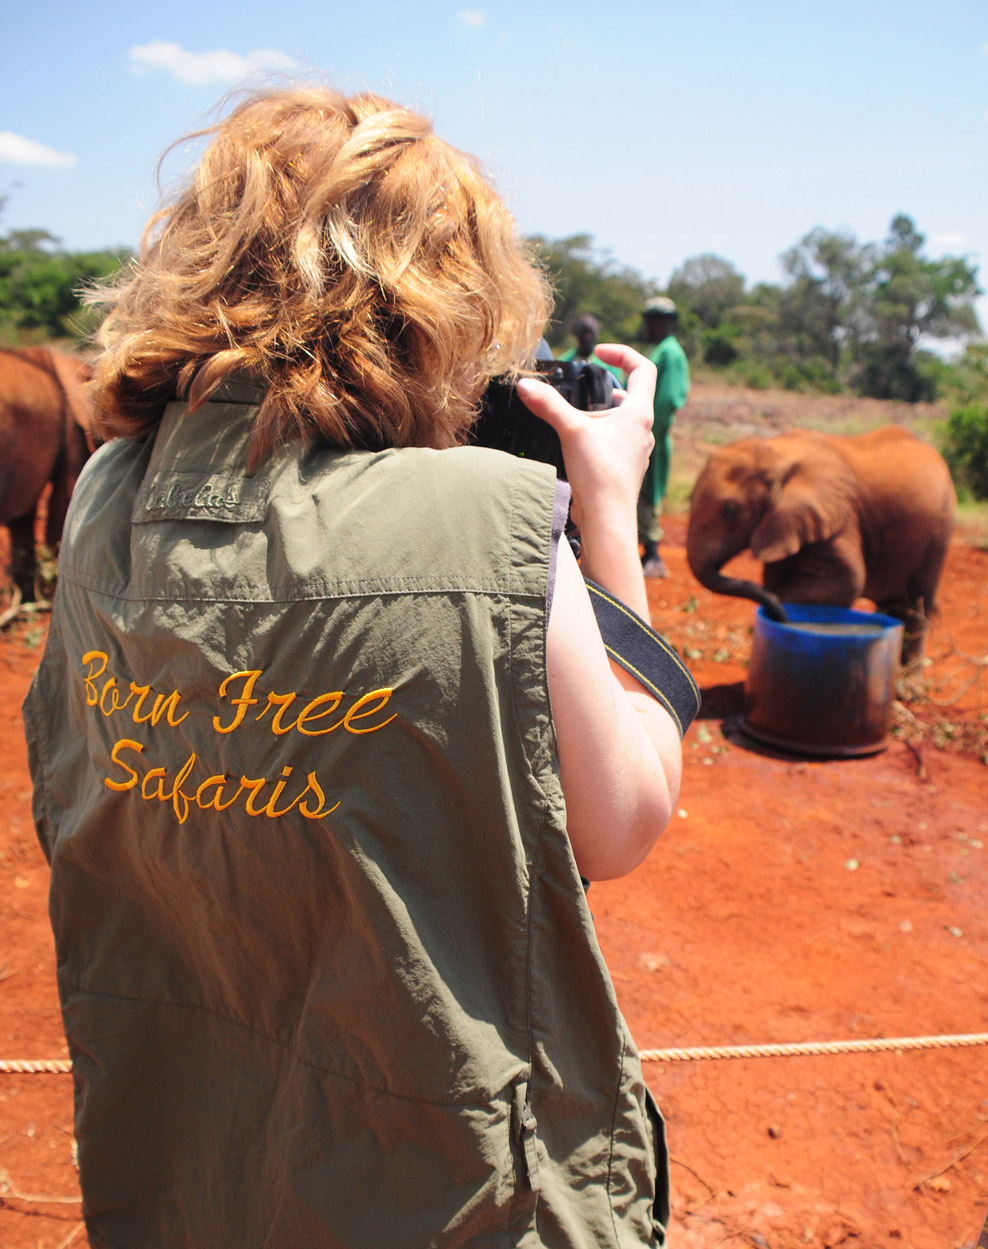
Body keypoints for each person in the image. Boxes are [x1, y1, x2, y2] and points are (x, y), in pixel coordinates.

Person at [23, 86, 695, 1249]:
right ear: (443, 289)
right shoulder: (485, 518)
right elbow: (622, 818)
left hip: (183, 1162)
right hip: (441, 1190)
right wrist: (604, 512)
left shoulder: (102, 498)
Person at [637, 296, 689, 578]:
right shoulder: (660, 350)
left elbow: (667, 400)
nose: (648, 325)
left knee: (649, 489)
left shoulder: (671, 353)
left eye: (652, 320)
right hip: (647, 433)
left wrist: (646, 434)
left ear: (665, 322)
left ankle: (653, 554)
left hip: (652, 435)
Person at [558, 313, 624, 383]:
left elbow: (618, 385)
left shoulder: (610, 363)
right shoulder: (563, 362)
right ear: (577, 335)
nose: (586, 339)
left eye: (589, 335)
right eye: (584, 334)